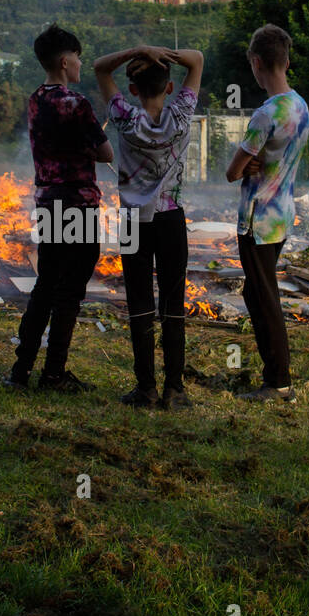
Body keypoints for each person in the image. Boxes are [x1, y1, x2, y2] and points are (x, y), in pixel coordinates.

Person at [5, 24, 113, 391]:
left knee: (45, 285)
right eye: (78, 58)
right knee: (70, 291)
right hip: (78, 205)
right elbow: (106, 153)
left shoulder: (36, 100)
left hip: (48, 203)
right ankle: (54, 374)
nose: (81, 64)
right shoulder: (77, 104)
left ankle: (20, 371)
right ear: (65, 62)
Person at [94, 44, 202, 409]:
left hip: (132, 221)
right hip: (171, 217)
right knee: (173, 304)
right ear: (169, 87)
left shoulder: (125, 117)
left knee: (139, 303)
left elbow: (100, 68)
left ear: (134, 90)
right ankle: (175, 390)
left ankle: (146, 389)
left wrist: (138, 51)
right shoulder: (182, 115)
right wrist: (163, 54)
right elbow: (197, 59)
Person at [225, 23, 309, 402]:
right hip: (281, 215)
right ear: (287, 61)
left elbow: (232, 171)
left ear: (257, 63)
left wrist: (247, 165)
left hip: (257, 219)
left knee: (265, 297)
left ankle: (278, 381)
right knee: (256, 292)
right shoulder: (300, 106)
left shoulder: (266, 113)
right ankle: (273, 373)